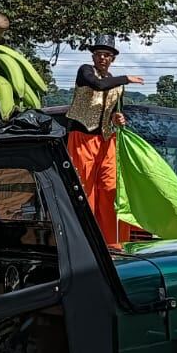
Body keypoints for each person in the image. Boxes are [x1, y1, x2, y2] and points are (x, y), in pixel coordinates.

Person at [64, 35, 142, 246]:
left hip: (107, 140)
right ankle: (86, 243)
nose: (103, 58)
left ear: (112, 59)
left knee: (110, 190)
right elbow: (98, 85)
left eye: (107, 55)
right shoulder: (85, 71)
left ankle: (113, 243)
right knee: (85, 190)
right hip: (82, 138)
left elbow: (116, 112)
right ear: (94, 56)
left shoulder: (117, 85)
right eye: (99, 54)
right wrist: (127, 78)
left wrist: (119, 118)